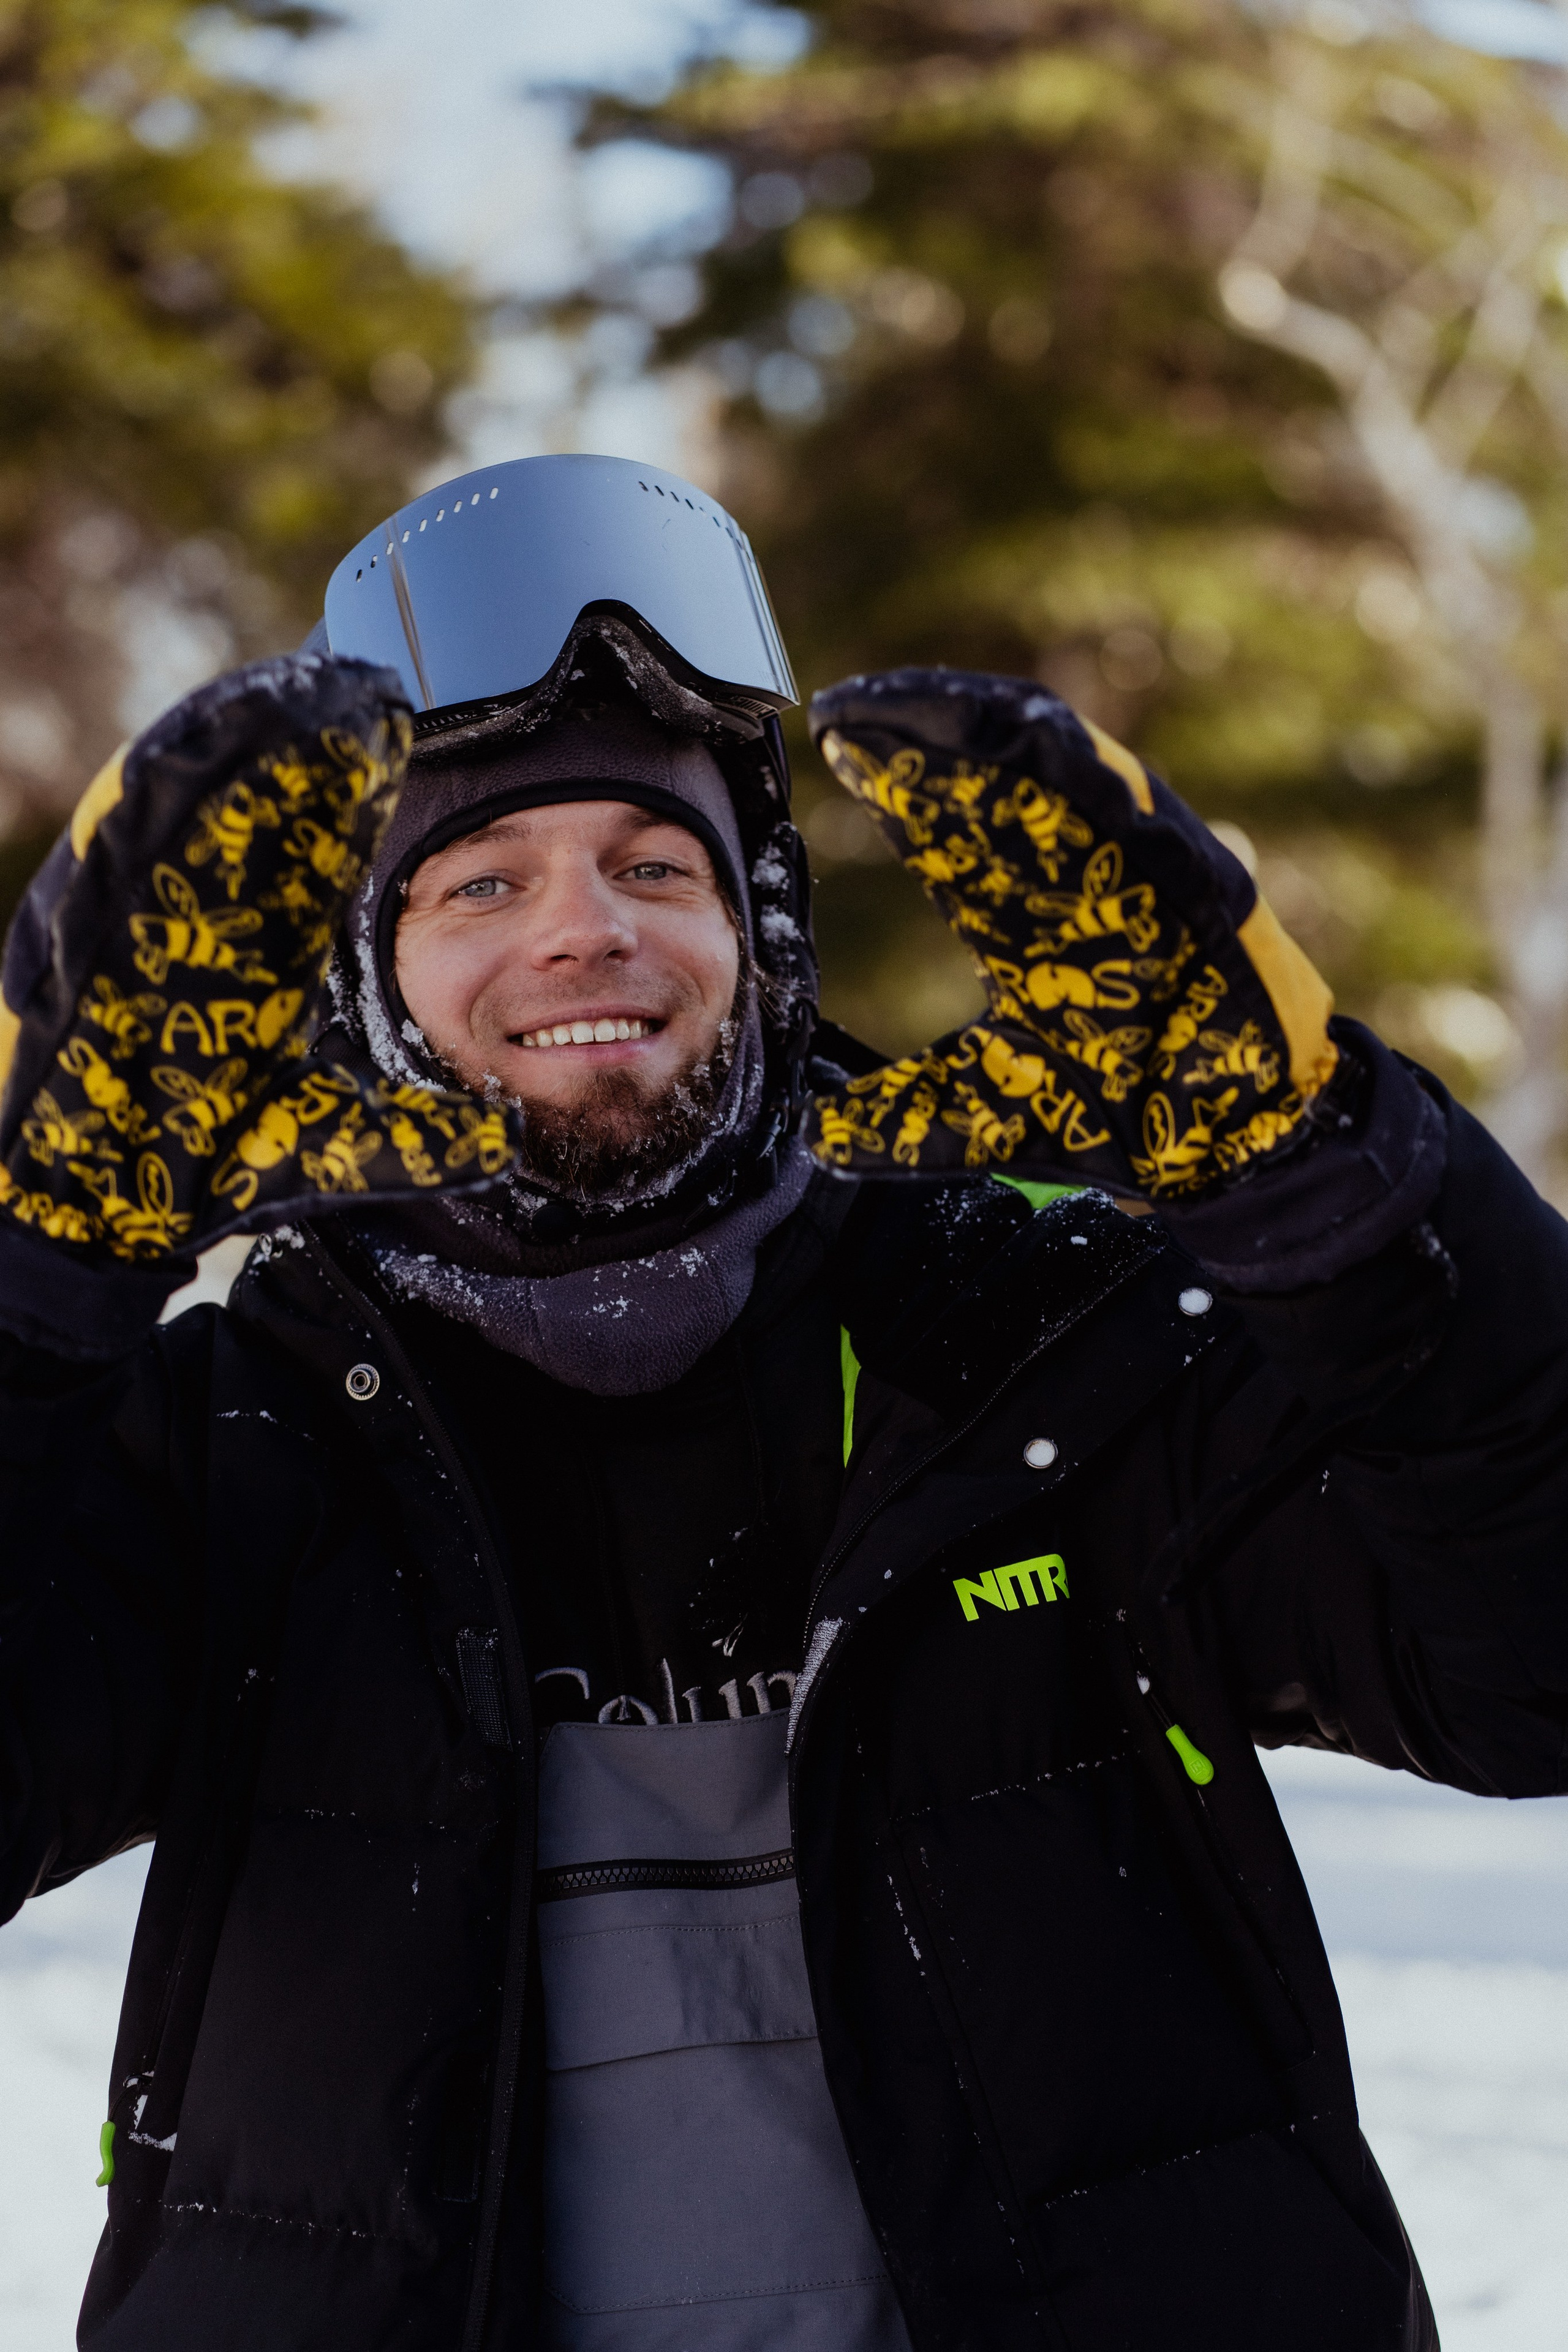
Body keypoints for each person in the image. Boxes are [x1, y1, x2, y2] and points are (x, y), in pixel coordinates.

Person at [0, 453, 1564, 2352]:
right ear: (371, 981)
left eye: (657, 867)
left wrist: (1341, 1195)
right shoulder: (228, 1441)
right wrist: (30, 1290)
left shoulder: (1062, 1358)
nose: (586, 931)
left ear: (761, 939)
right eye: (480, 881)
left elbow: (1532, 1658)